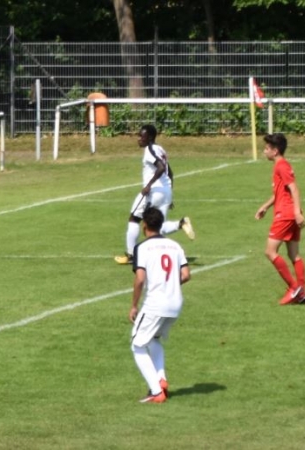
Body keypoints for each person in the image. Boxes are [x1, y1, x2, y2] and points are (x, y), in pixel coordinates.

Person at [129, 206, 191, 404]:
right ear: (161, 224)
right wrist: (170, 284)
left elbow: (140, 279)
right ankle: (161, 379)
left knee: (137, 345)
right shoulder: (175, 246)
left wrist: (134, 305)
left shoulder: (142, 248)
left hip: (156, 304)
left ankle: (156, 391)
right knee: (153, 339)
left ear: (144, 226)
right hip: (175, 304)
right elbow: (186, 275)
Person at [114, 124, 195, 265]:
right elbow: (170, 173)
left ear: (150, 137)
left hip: (154, 191)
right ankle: (181, 223)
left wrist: (149, 185)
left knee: (134, 219)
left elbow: (161, 168)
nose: (139, 139)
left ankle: (131, 255)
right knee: (158, 225)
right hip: (165, 191)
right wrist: (169, 195)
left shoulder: (150, 150)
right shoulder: (160, 149)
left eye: (142, 136)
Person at [254, 133, 305, 305]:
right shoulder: (281, 165)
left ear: (275, 151)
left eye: (267, 148)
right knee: (294, 254)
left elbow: (294, 189)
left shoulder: (281, 166)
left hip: (285, 215)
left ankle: (294, 288)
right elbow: (280, 192)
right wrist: (265, 206)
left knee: (270, 252)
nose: (264, 151)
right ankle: (302, 293)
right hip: (290, 213)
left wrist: (297, 212)